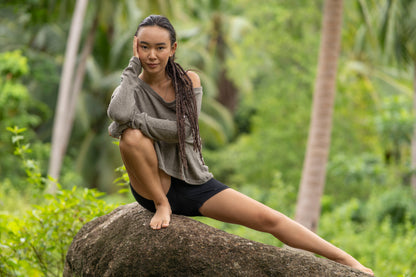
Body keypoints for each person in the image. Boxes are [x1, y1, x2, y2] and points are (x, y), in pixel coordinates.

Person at [107, 15, 374, 275]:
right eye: (144, 47)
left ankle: (347, 260)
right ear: (136, 46)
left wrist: (138, 119)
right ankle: (162, 204)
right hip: (154, 184)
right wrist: (132, 68)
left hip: (194, 182)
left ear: (173, 48)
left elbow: (185, 132)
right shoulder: (132, 87)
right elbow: (117, 115)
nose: (151, 55)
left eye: (159, 47)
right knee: (130, 138)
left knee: (269, 219)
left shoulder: (188, 81)